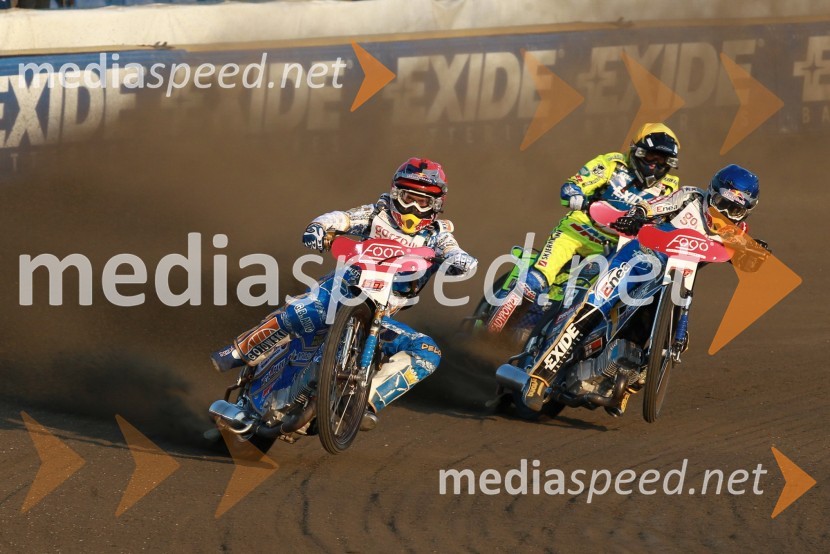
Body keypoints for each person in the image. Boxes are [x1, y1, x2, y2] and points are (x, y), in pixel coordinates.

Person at [211, 158, 477, 429]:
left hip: (379, 315)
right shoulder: (376, 214)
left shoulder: (438, 235)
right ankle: (241, 350)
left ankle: (362, 402)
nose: (412, 208)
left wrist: (461, 261)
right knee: (302, 311)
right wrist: (319, 227)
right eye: (408, 198)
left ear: (436, 205)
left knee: (427, 351)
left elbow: (458, 254)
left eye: (422, 202)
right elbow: (342, 218)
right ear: (396, 194)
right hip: (340, 290)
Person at [522, 164, 766, 412]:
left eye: (734, 209)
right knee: (594, 306)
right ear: (711, 192)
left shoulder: (738, 232)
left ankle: (625, 385)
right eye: (721, 203)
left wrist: (757, 253)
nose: (724, 213)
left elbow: (748, 259)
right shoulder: (690, 197)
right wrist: (638, 213)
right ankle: (539, 378)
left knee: (669, 337)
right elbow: (654, 205)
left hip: (670, 283)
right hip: (638, 260)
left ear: (746, 211)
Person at [516, 123, 682, 311]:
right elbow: (573, 185)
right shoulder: (612, 163)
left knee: (595, 295)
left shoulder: (670, 187)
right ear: (638, 151)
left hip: (616, 248)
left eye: (662, 160)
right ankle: (506, 312)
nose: (654, 165)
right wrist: (576, 195)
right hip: (579, 230)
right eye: (652, 156)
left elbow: (671, 221)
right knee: (538, 279)